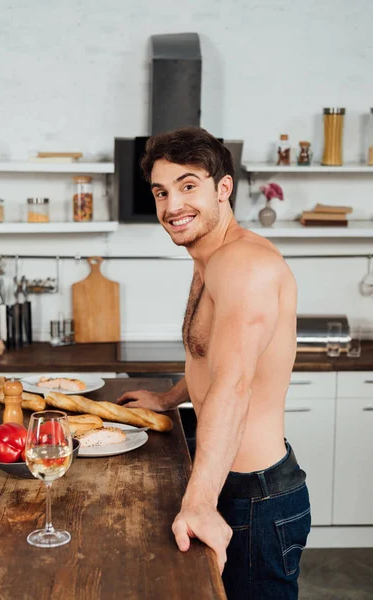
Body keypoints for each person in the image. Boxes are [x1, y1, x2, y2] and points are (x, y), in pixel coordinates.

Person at [117, 127, 311, 599]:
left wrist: (200, 502)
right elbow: (210, 357)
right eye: (162, 192)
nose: (172, 206)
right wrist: (168, 398)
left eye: (188, 186)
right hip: (227, 478)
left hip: (254, 498)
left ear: (223, 189)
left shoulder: (244, 264)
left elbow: (234, 382)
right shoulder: (209, 258)